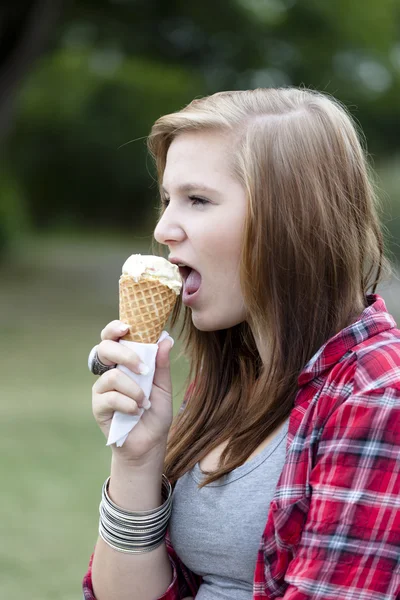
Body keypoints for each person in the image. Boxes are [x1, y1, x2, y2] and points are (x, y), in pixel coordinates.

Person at [82, 87, 400, 600]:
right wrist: (136, 459)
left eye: (198, 200)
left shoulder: (378, 396)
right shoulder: (230, 376)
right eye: (167, 199)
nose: (163, 229)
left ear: (292, 218)